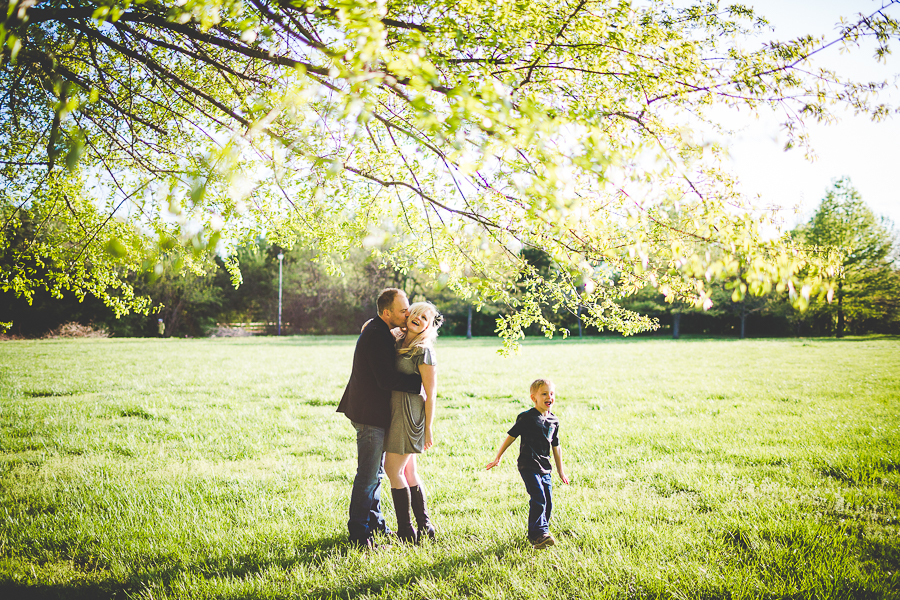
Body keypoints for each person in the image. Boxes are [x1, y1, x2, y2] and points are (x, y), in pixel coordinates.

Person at [337, 288, 423, 548]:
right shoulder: (376, 336)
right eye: (402, 310)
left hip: (372, 412)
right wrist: (419, 382)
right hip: (368, 415)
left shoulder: (379, 329)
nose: (407, 313)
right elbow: (385, 379)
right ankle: (359, 536)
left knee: (375, 474)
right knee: (368, 476)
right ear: (387, 313)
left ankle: (375, 525)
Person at [485, 378, 569, 549]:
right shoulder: (527, 417)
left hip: (545, 468)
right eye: (544, 394)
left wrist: (561, 471)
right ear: (534, 398)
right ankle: (539, 534)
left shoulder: (554, 421)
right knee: (538, 497)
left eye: (551, 393)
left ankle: (540, 533)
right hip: (528, 465)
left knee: (548, 500)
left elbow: (556, 447)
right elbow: (511, 436)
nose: (549, 397)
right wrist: (498, 457)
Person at [383, 301, 441, 543]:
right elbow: (367, 326)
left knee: (392, 469)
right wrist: (397, 330)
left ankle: (406, 531)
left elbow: (431, 392)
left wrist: (427, 427)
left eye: (424, 318)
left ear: (428, 326)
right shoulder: (397, 341)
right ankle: (425, 526)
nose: (418, 318)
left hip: (410, 415)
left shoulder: (423, 350)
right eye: (415, 313)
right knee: (408, 470)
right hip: (395, 412)